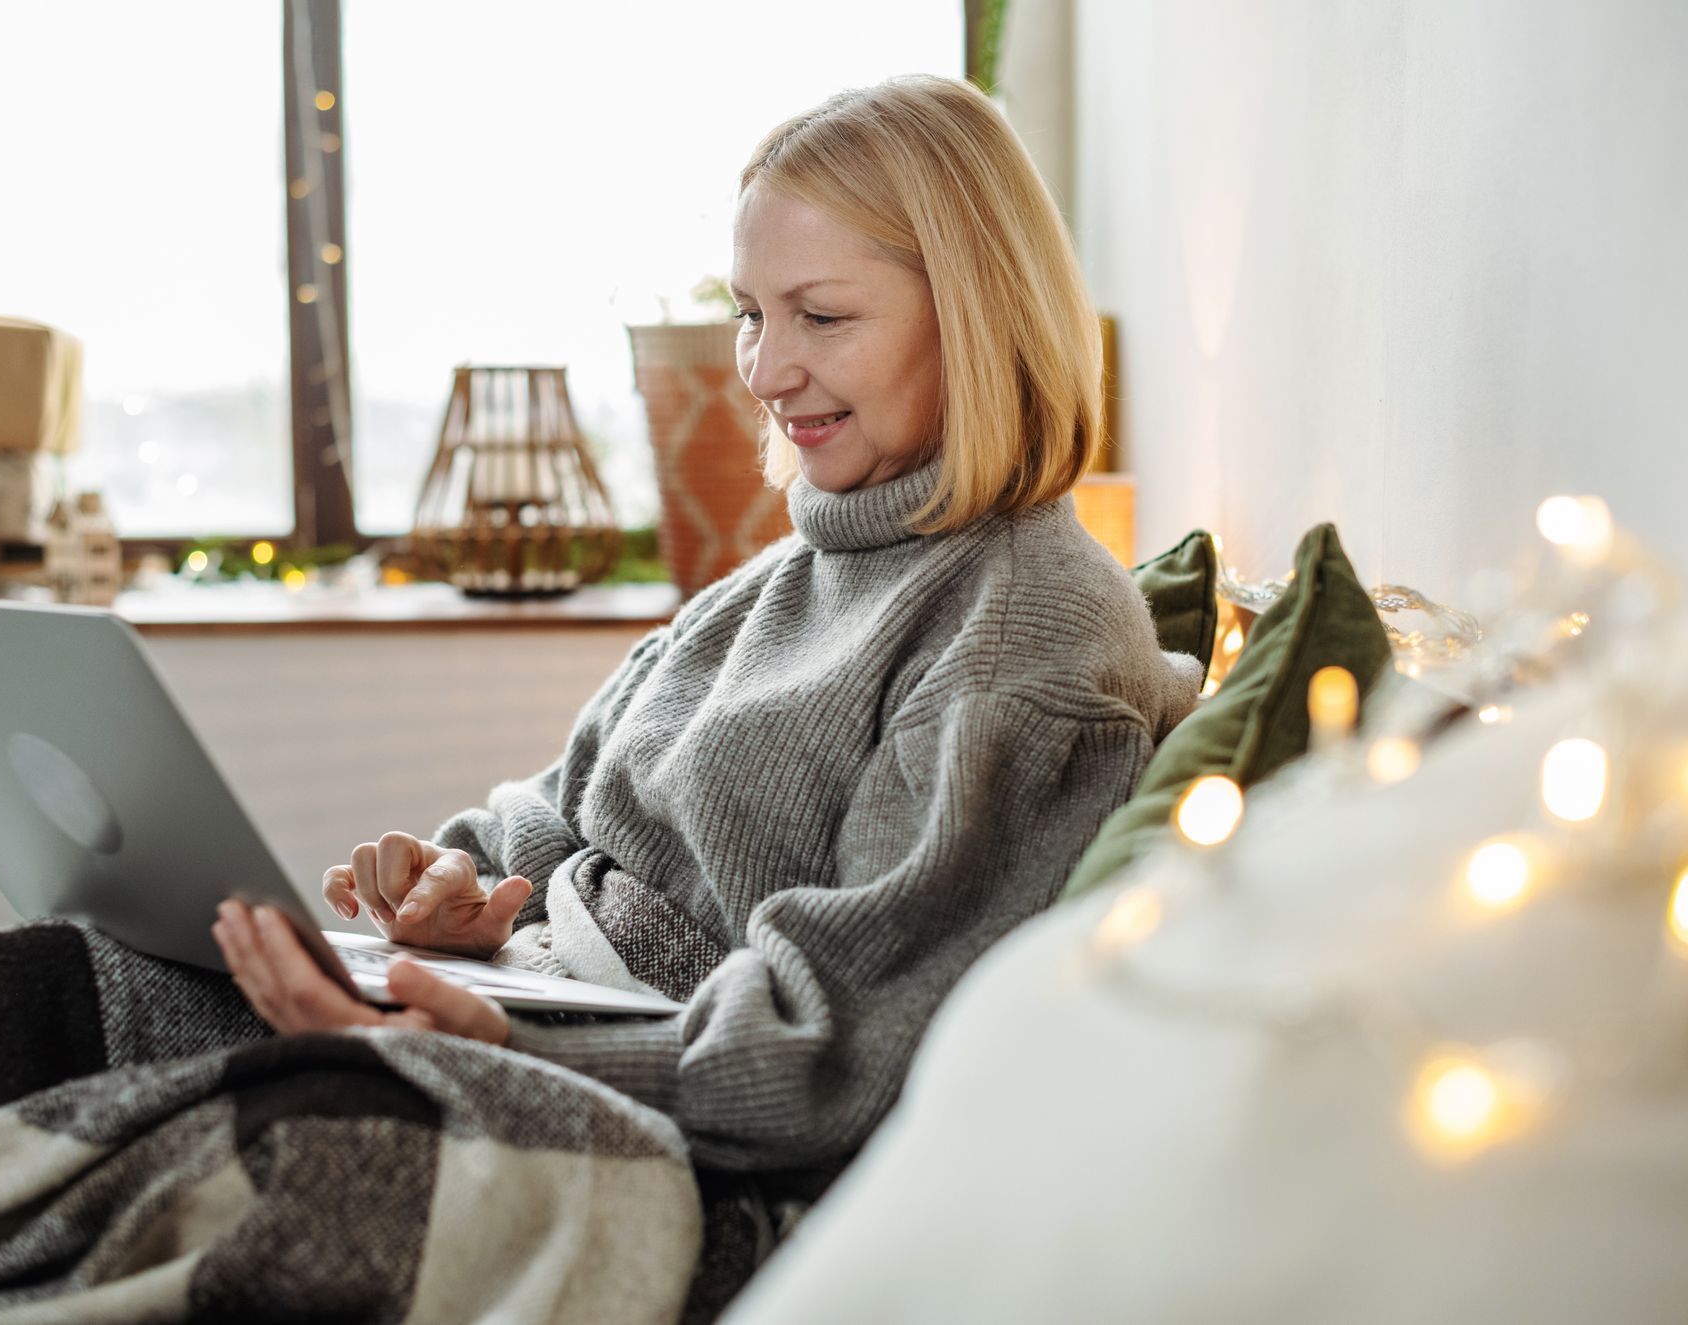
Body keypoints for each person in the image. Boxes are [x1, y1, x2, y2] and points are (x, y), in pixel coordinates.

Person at [213, 73, 1201, 1176]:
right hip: (526, 1007)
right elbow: (544, 823)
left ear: (976, 316)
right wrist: (448, 891)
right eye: (750, 313)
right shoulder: (775, 583)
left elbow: (830, 1056)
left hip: (615, 1110)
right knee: (92, 977)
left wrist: (496, 1045)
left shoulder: (1024, 636)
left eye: (820, 316)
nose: (766, 373)